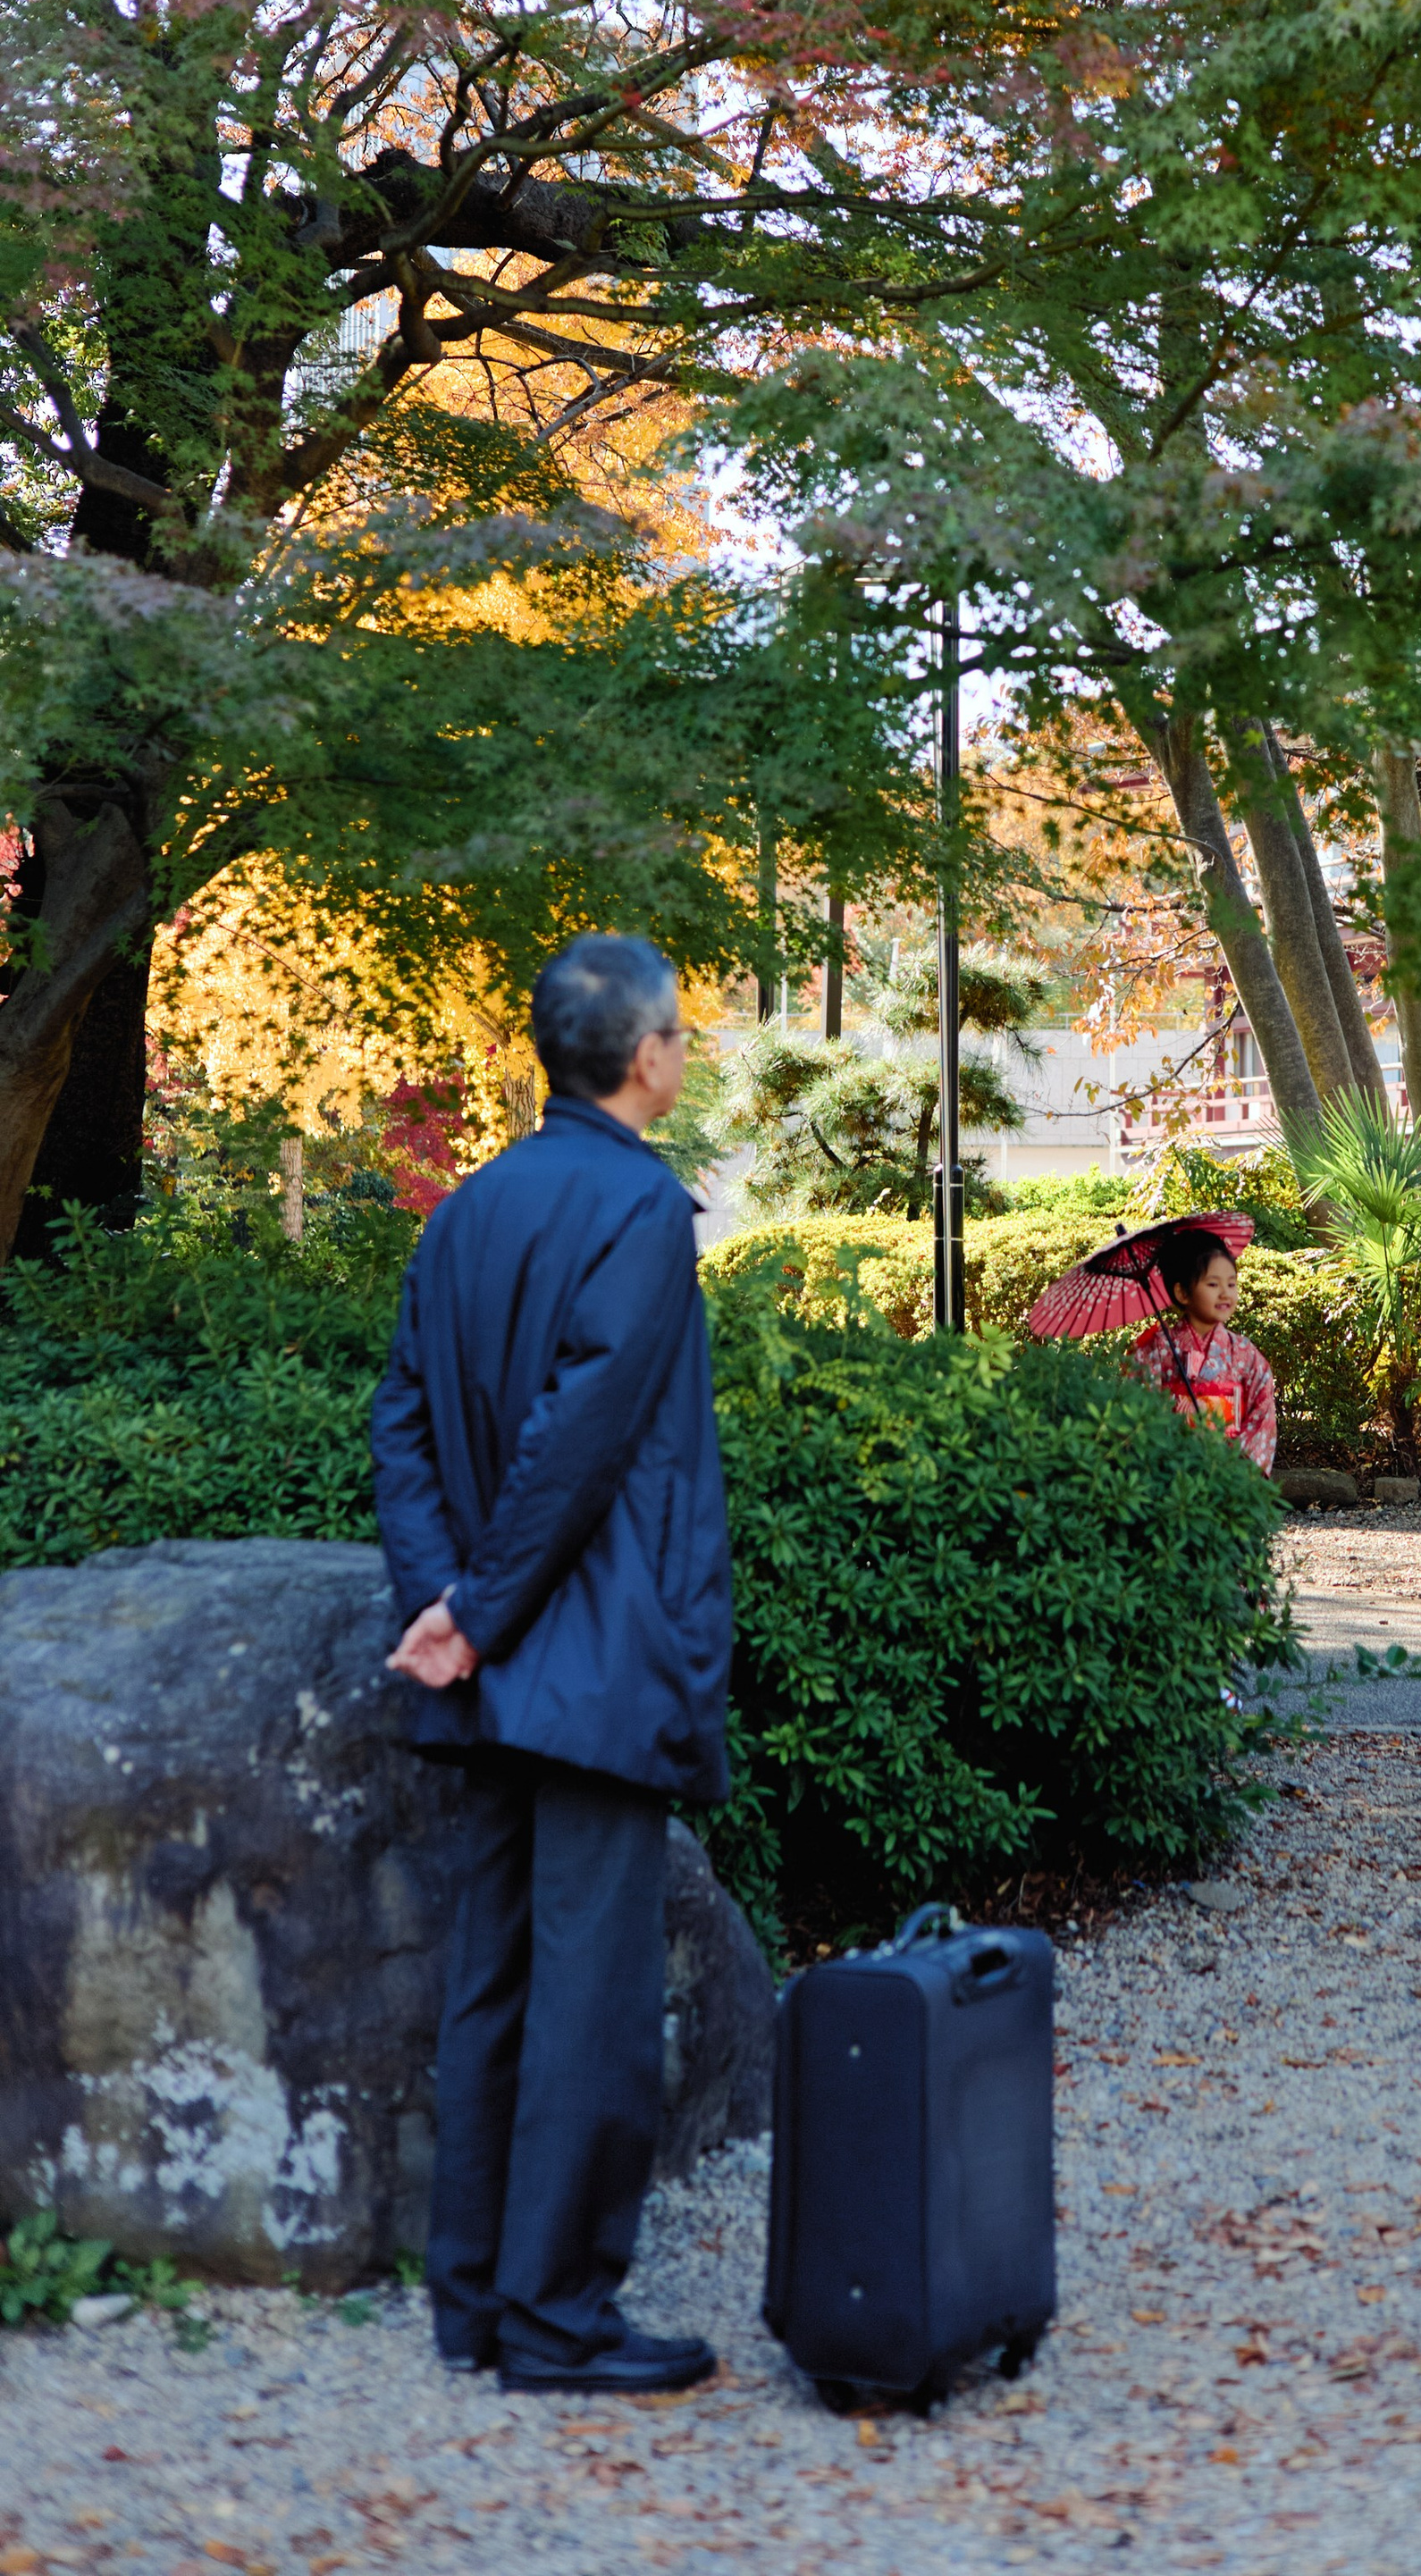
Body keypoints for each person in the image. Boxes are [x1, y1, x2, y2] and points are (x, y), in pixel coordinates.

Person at [369, 934, 733, 2396]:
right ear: (642, 1056)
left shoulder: (469, 1208)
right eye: (684, 1035)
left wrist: (440, 1606)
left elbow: (399, 1417)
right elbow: (581, 1441)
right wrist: (481, 1609)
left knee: (496, 1986)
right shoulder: (639, 1209)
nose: (687, 1054)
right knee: (586, 2003)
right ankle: (560, 2321)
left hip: (495, 1665)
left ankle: (477, 2304)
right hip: (585, 1662)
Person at [1130, 1224, 1278, 1470]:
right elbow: (1139, 1410)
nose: (1225, 1293)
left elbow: (1263, 1413)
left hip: (1229, 1472)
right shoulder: (1156, 1349)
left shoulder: (1244, 1353)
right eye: (1213, 1284)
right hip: (1172, 1471)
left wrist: (1239, 1468)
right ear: (1183, 1292)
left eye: (1231, 1284)